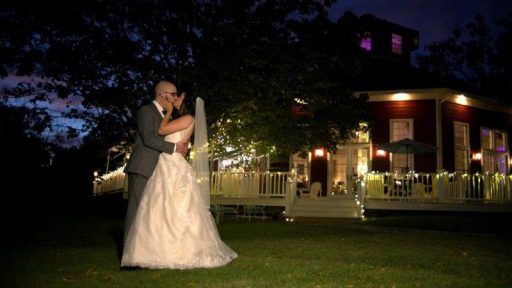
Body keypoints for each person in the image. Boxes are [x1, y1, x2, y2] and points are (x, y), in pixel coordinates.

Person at [121, 91, 238, 269]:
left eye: (178, 97)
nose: (174, 99)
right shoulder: (181, 119)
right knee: (160, 209)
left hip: (173, 167)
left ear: (185, 102)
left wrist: (167, 112)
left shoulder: (188, 118)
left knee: (176, 208)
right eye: (174, 95)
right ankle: (153, 250)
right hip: (166, 165)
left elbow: (160, 130)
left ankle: (178, 250)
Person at [123, 80, 188, 242]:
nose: (175, 97)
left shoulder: (166, 113)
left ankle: (143, 252)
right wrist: (174, 148)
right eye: (173, 94)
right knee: (136, 211)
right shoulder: (146, 111)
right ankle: (128, 257)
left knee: (150, 213)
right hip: (142, 168)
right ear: (161, 94)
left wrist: (176, 110)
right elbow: (149, 139)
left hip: (158, 170)